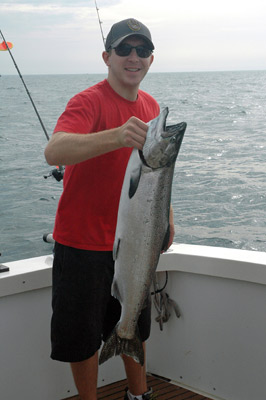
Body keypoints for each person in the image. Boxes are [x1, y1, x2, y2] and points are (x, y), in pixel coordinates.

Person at [44, 18, 175, 400]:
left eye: (142, 50)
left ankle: (139, 395)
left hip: (135, 246)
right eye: (124, 49)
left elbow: (159, 175)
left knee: (133, 324)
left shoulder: (151, 107)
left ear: (151, 60)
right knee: (82, 338)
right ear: (107, 56)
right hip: (82, 244)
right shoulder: (88, 101)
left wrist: (167, 220)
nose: (133, 57)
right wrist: (116, 136)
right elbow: (55, 151)